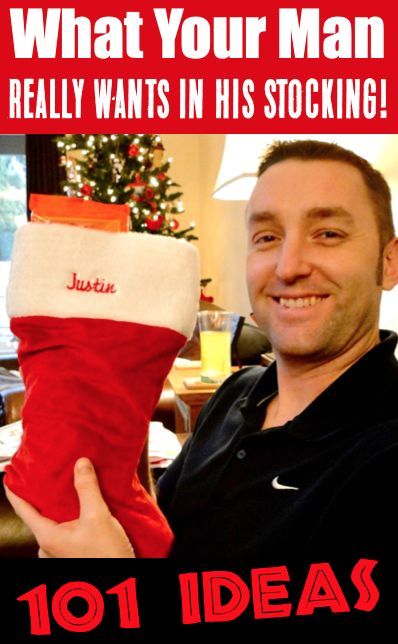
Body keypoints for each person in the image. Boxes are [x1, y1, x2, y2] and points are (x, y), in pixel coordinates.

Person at [5, 139, 398, 559]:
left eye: (328, 234)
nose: (288, 266)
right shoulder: (236, 394)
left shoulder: (384, 455)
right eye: (267, 237)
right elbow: (163, 529)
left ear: (389, 262)